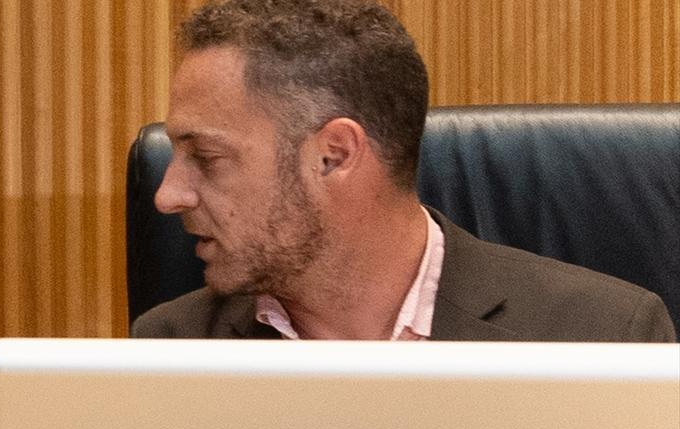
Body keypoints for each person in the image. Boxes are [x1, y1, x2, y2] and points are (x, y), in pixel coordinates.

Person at [132, 0, 676, 343]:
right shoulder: (172, 347)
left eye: (207, 158)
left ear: (335, 154)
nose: (169, 195)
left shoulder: (602, 337)